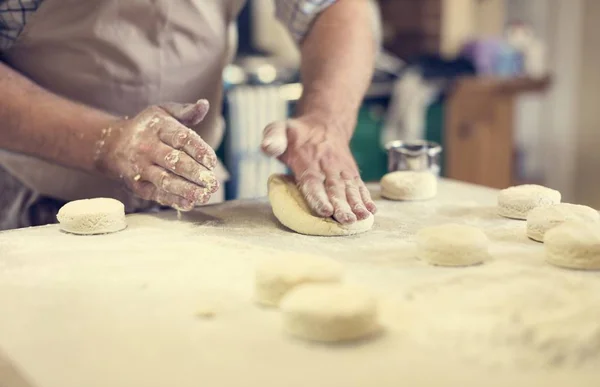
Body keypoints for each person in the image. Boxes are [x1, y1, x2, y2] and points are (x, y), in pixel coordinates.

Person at [0, 0, 379, 230]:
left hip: (193, 202)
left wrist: (325, 122)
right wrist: (108, 141)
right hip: (30, 200)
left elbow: (332, 6)